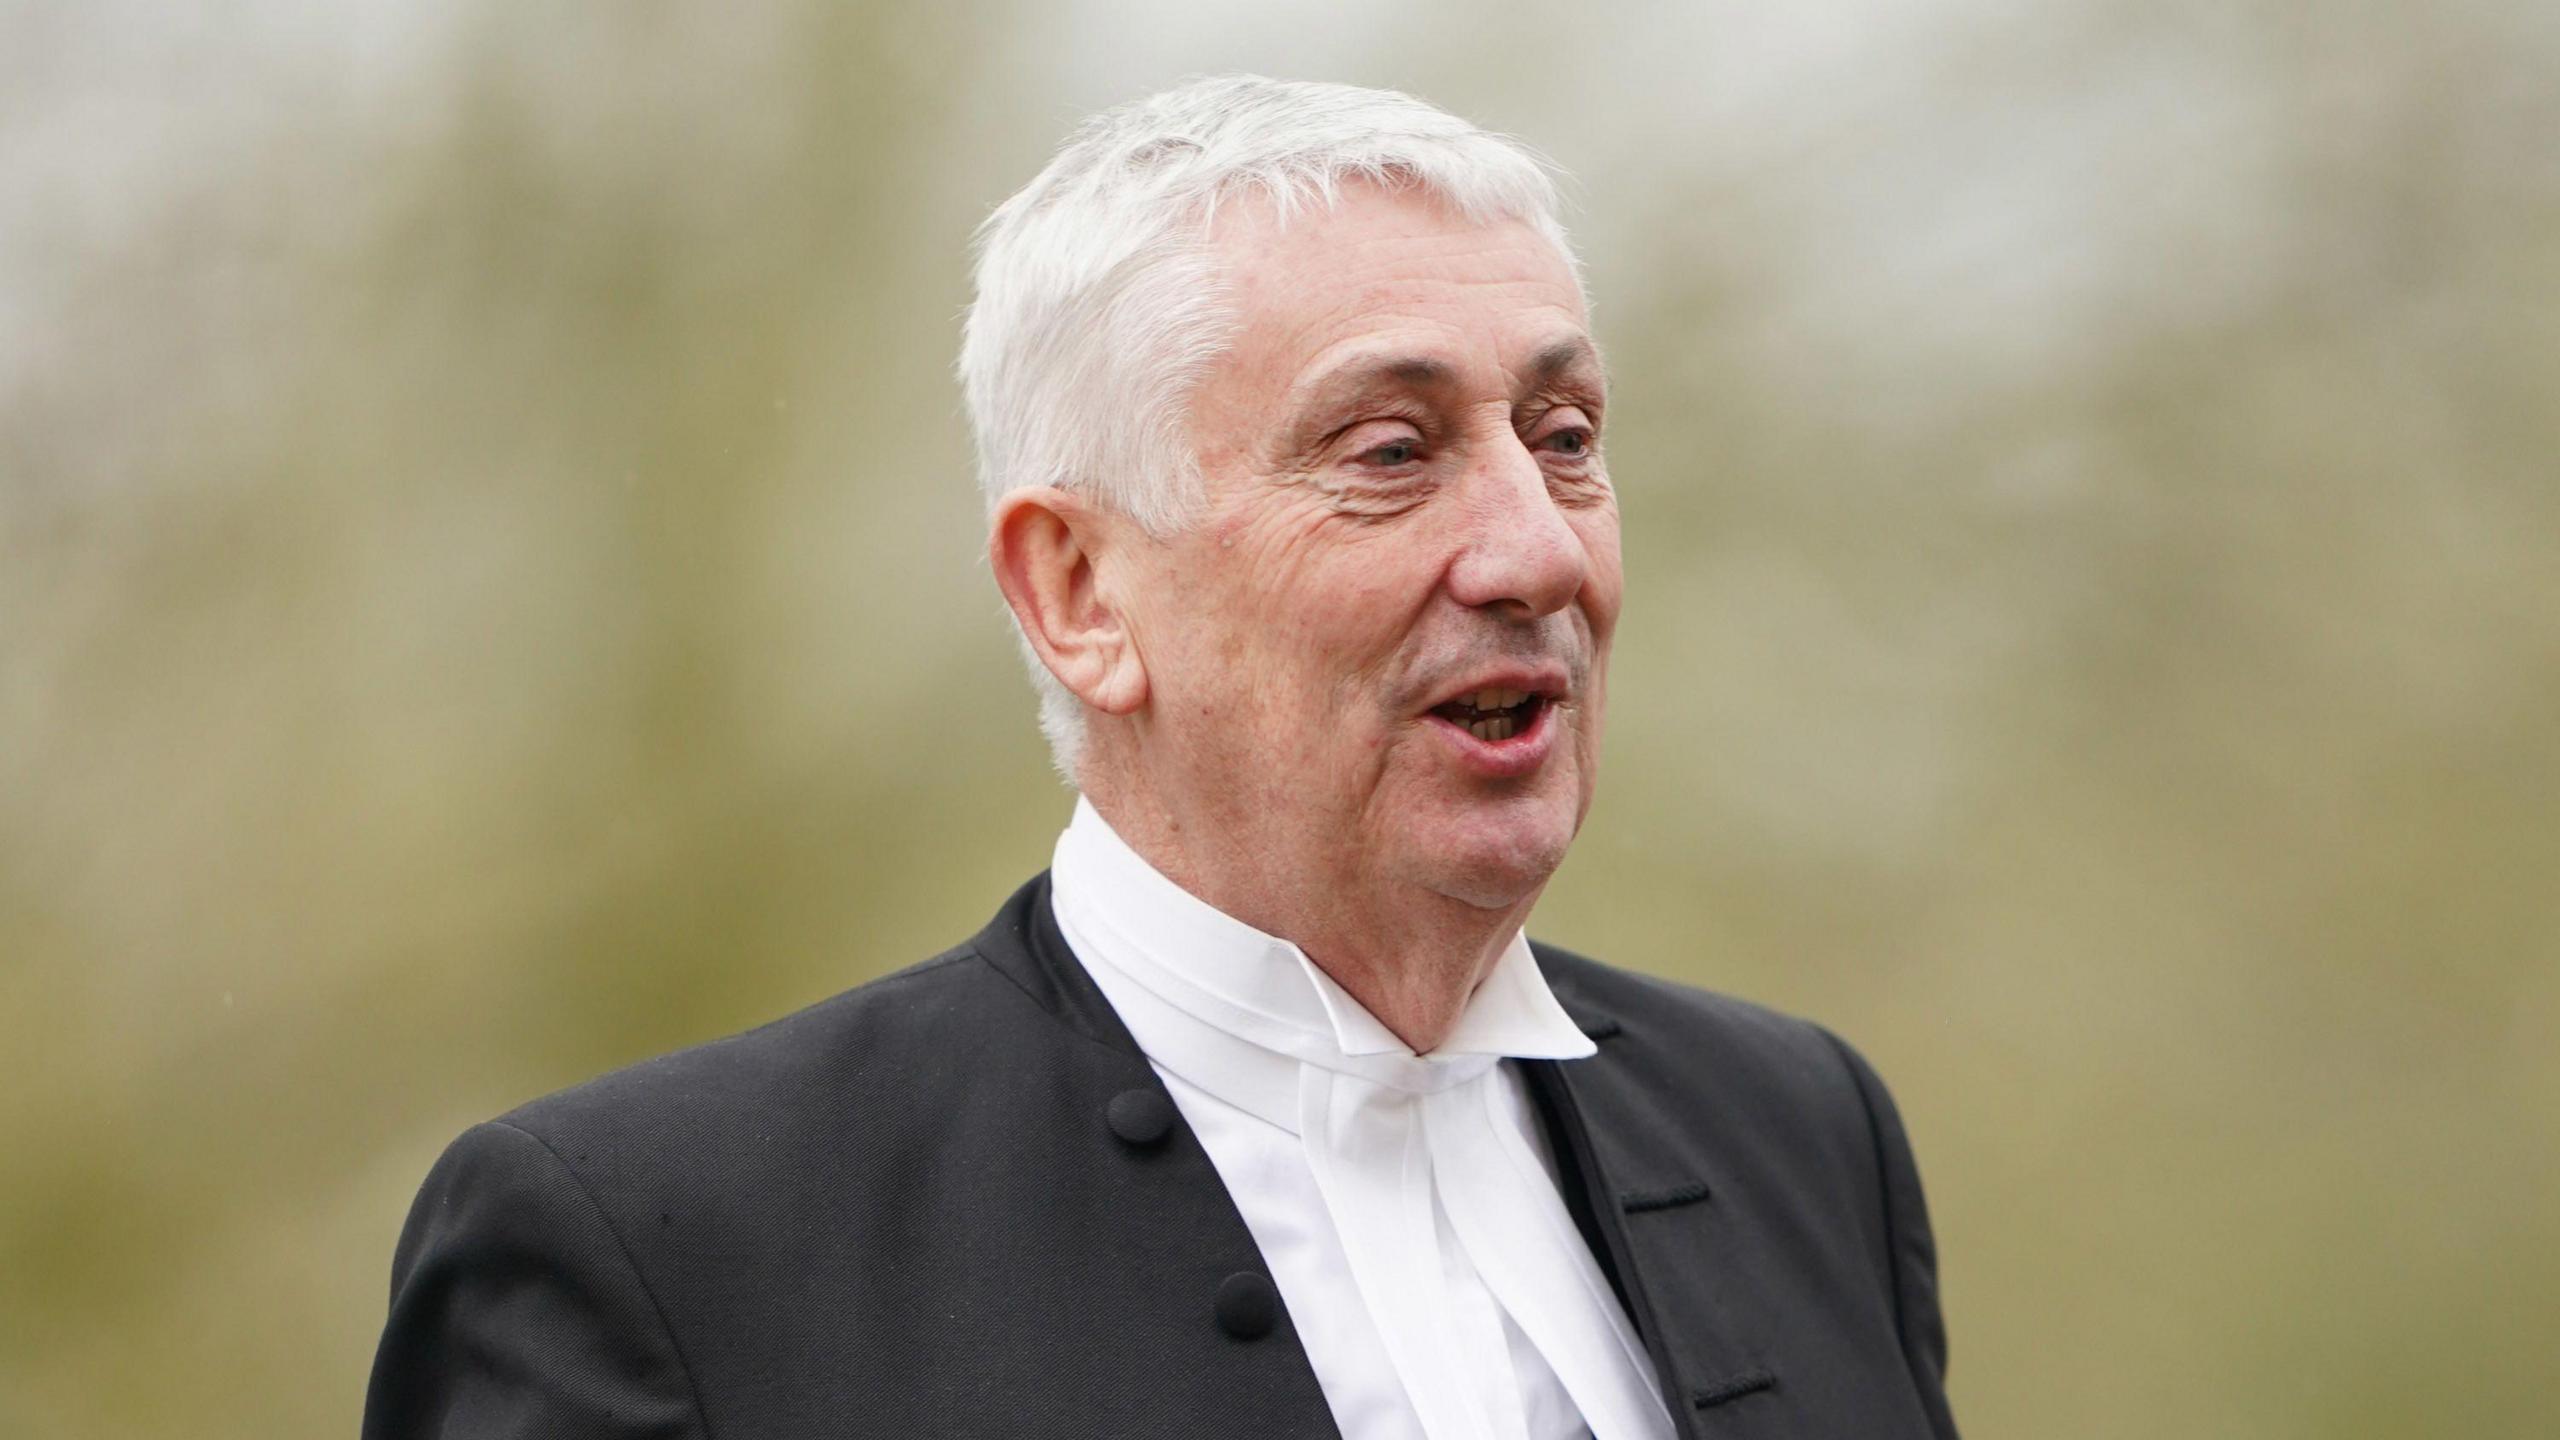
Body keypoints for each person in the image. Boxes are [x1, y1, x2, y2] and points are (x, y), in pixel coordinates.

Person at [363, 75, 1959, 1440]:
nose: (1535, 554)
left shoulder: (1801, 1133)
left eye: (1566, 439)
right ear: (1080, 592)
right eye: (1391, 453)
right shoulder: (660, 1247)